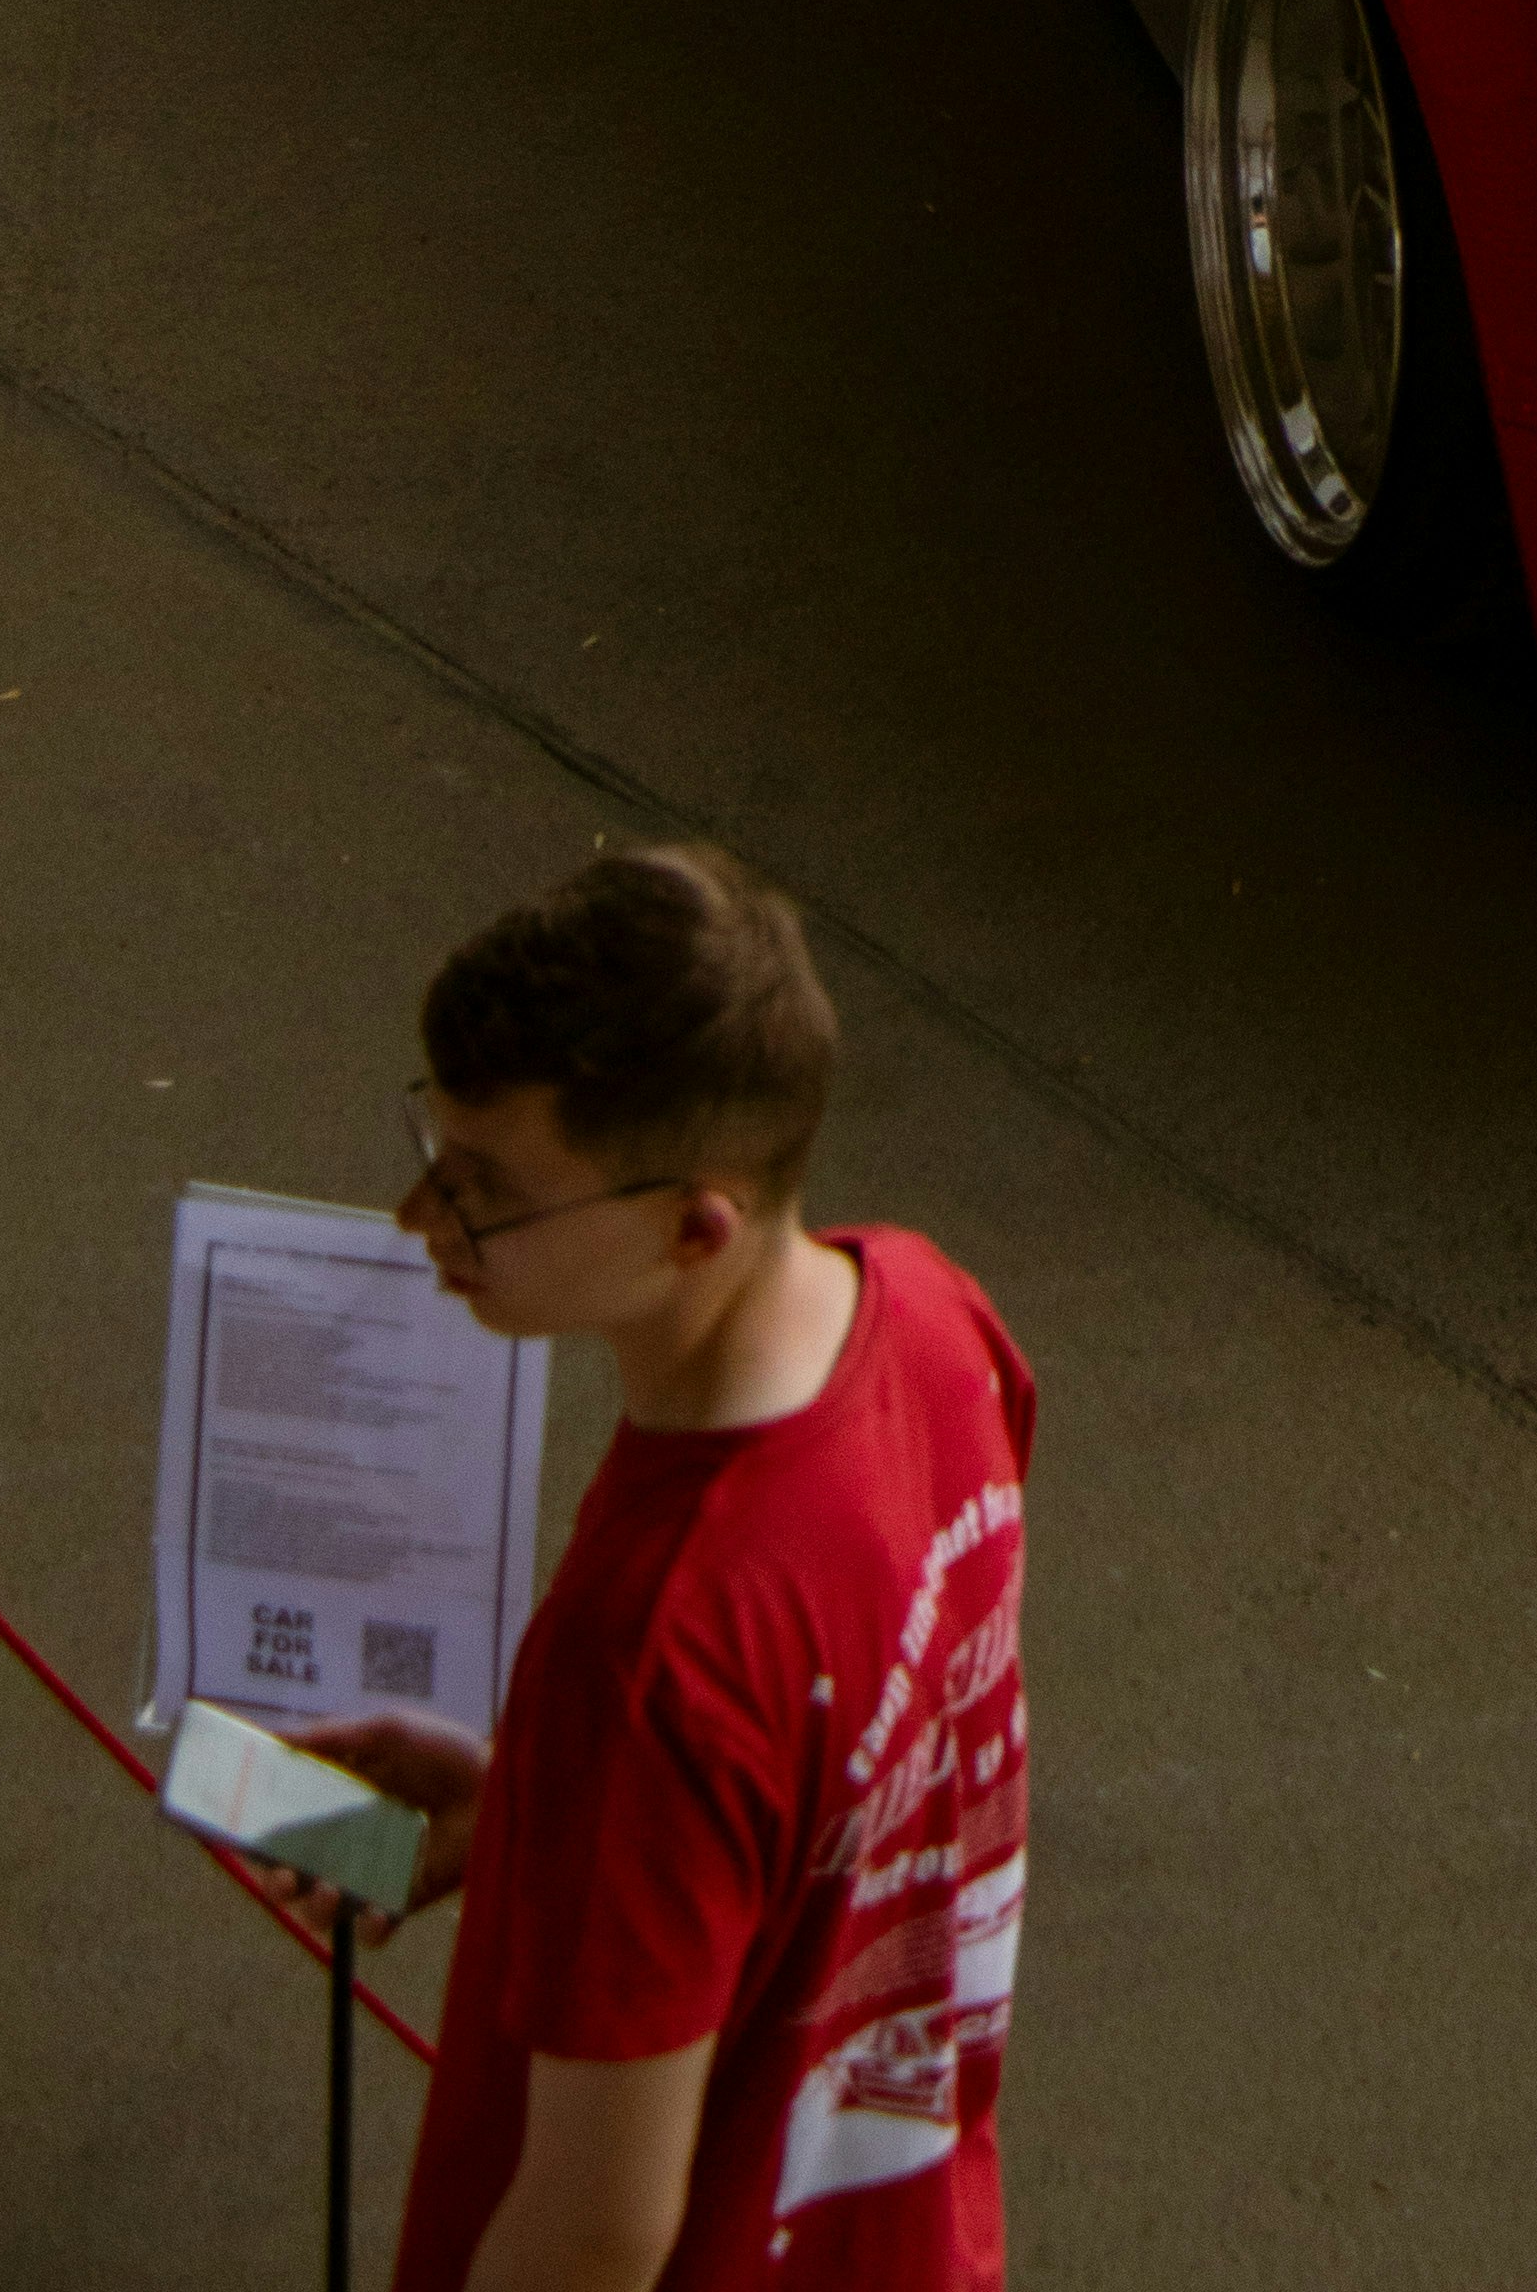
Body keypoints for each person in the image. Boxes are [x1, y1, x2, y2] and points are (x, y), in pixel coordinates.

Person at [292, 847, 1033, 2292]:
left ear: (693, 1224)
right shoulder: (940, 1325)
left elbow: (591, 2239)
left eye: (486, 1189)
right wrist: (546, 1818)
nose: (420, 1218)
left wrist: (600, 1787)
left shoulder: (650, 1652)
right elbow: (846, 1751)